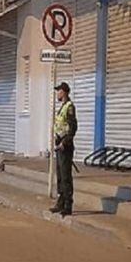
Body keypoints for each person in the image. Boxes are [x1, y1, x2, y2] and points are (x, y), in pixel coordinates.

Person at [49, 82, 77, 217]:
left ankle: (68, 205)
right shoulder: (63, 107)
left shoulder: (70, 107)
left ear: (64, 92)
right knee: (60, 176)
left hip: (65, 146)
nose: (57, 94)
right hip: (59, 145)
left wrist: (64, 142)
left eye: (59, 91)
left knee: (66, 177)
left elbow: (72, 128)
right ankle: (60, 202)